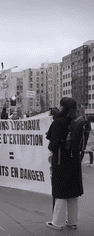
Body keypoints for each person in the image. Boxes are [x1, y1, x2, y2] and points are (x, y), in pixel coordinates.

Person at [45, 97, 83, 230]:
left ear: (62, 107)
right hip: (75, 160)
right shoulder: (76, 121)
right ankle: (72, 222)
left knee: (60, 190)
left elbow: (53, 145)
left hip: (61, 161)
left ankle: (57, 222)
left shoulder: (58, 122)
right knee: (73, 191)